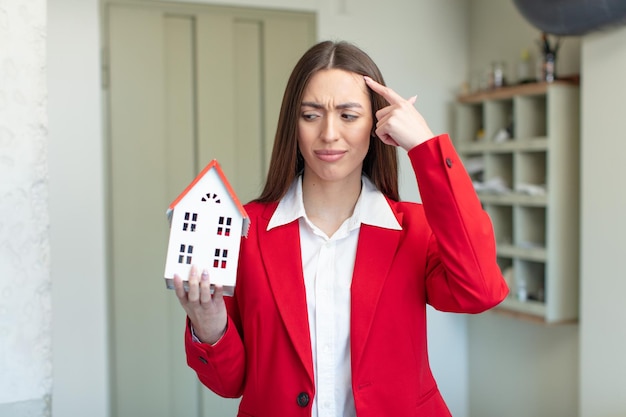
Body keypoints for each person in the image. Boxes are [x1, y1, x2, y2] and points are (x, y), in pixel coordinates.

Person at [173, 40, 508, 417]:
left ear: (376, 125)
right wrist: (209, 325)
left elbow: (480, 290)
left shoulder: (413, 229)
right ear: (293, 125)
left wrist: (424, 146)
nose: (329, 134)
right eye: (311, 115)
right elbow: (229, 384)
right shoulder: (246, 232)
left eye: (349, 116)